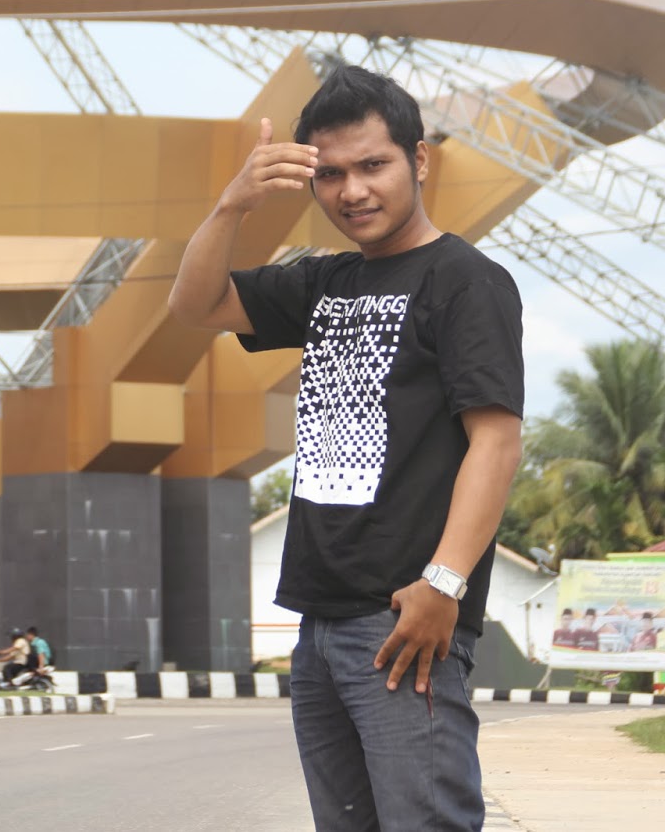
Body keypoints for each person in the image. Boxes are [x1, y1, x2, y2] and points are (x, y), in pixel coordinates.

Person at [168, 65, 524, 831]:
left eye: (372, 165)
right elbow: (195, 304)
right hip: (320, 621)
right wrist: (233, 204)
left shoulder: (466, 281)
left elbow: (496, 442)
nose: (352, 192)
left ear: (418, 160)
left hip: (404, 618)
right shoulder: (325, 282)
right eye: (329, 174)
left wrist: (443, 585)